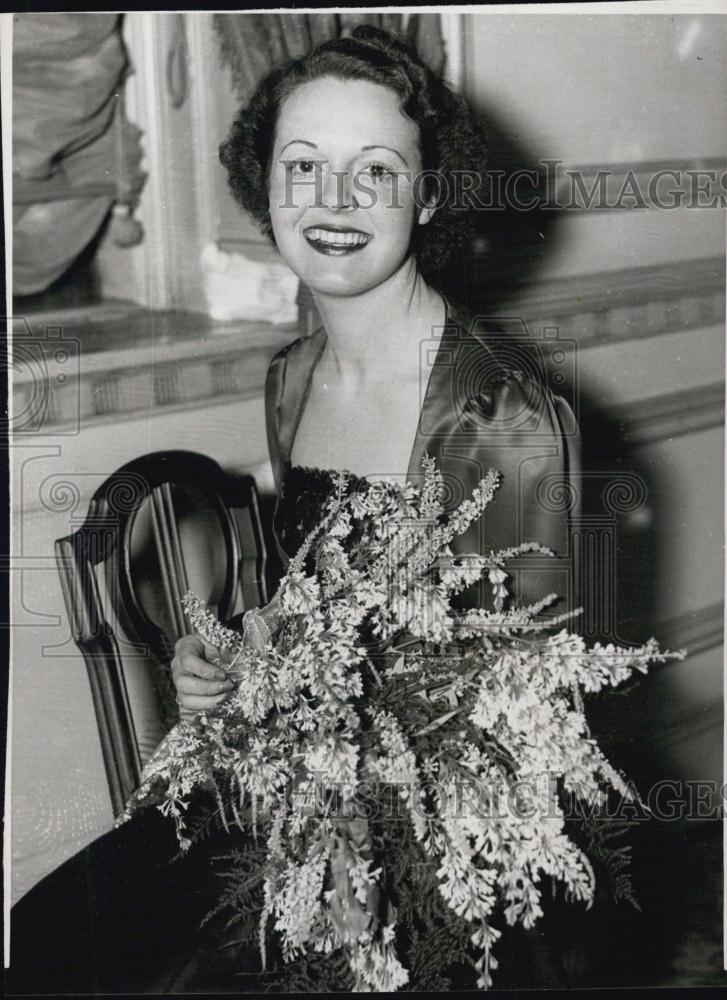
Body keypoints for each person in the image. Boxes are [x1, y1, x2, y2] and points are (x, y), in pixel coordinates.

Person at [7, 26, 580, 993]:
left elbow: (534, 715)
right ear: (262, 181)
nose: (334, 202)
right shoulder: (293, 375)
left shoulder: (497, 411)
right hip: (282, 784)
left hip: (433, 839)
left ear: (430, 193)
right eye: (303, 164)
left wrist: (352, 820)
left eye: (377, 172)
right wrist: (230, 653)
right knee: (44, 937)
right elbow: (310, 597)